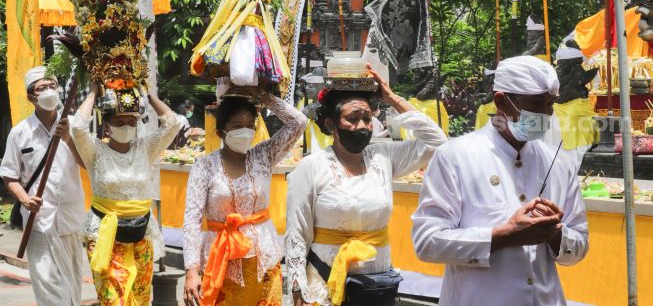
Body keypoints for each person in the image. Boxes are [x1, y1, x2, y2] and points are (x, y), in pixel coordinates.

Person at [412, 56, 589, 306]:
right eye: (536, 103)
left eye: (550, 103)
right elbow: (427, 243)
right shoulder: (456, 157)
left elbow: (580, 245)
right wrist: (504, 235)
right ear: (501, 101)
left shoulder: (558, 162)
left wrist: (554, 235)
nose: (546, 113)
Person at [286, 66, 447, 306]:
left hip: (378, 284)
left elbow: (437, 142)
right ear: (331, 125)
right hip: (324, 281)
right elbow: (297, 235)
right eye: (352, 119)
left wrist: (392, 98)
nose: (362, 126)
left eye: (367, 119)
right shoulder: (312, 167)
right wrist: (297, 290)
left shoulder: (383, 157)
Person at [183, 87, 307, 306]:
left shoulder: (264, 155)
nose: (245, 131)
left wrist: (262, 94)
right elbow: (191, 221)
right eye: (237, 126)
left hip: (265, 260)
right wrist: (191, 271)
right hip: (222, 264)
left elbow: (299, 122)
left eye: (250, 125)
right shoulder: (204, 167)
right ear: (221, 132)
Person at [69, 84, 181, 305]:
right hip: (105, 234)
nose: (127, 126)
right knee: (112, 298)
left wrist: (147, 95)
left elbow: (172, 123)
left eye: (131, 122)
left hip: (141, 233)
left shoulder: (145, 149)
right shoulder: (94, 151)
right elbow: (78, 127)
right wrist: (93, 91)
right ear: (107, 126)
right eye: (120, 122)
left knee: (139, 297)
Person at [0, 66, 86, 306]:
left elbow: (89, 164)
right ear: (31, 97)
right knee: (50, 291)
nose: (48, 91)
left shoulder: (75, 127)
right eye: (41, 88)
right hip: (39, 223)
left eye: (52, 86)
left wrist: (69, 139)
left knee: (73, 287)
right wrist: (25, 199)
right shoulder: (19, 133)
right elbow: (9, 176)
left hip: (71, 220)